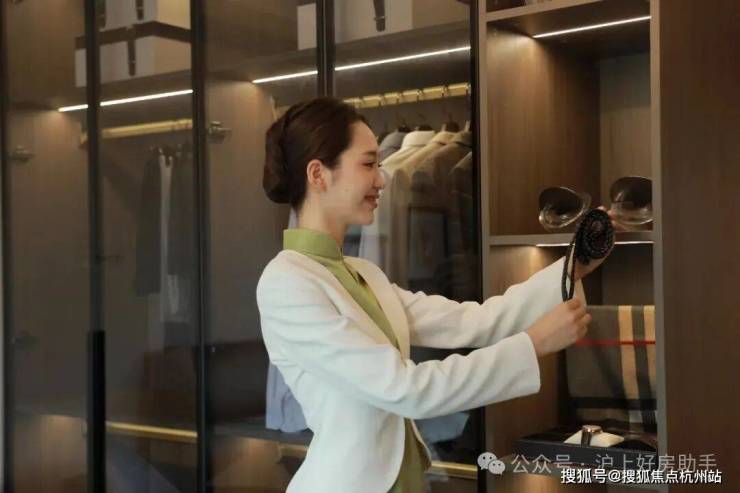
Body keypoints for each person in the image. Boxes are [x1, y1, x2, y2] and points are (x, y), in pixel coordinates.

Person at [256, 97, 615, 493]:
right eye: (368, 164)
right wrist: (533, 345)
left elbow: (475, 321)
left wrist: (575, 264)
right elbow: (406, 389)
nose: (382, 179)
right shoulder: (287, 282)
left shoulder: (364, 274)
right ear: (318, 174)